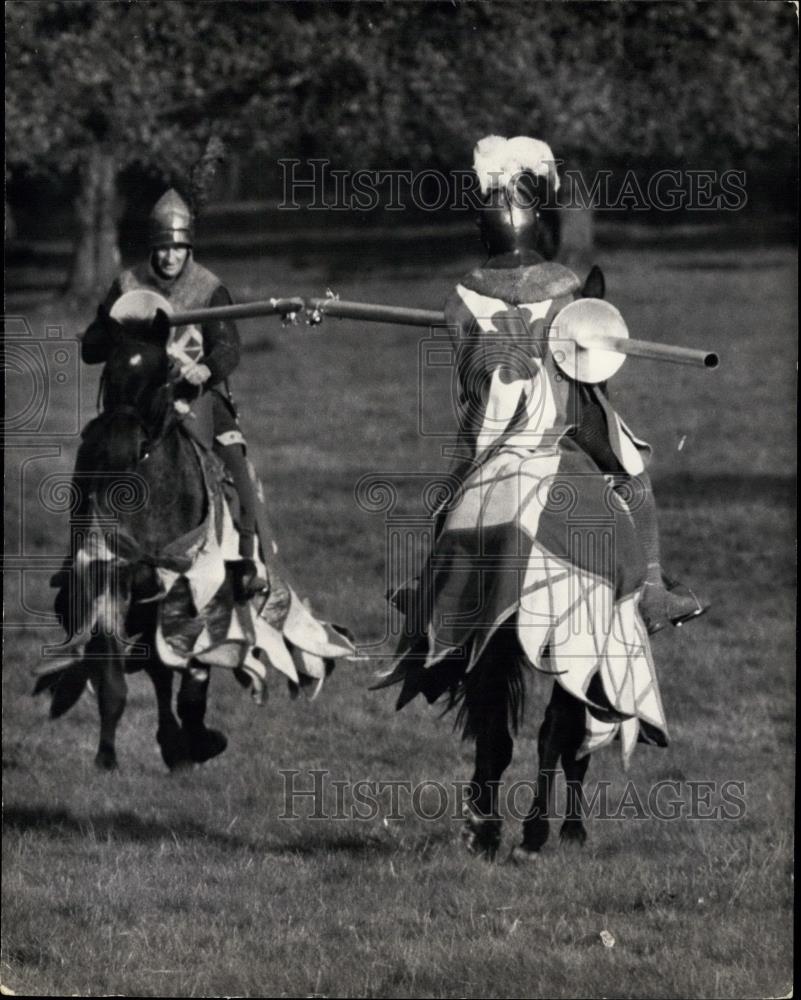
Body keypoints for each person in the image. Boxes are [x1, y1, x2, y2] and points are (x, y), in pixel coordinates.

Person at [379, 135, 707, 757]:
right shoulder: (566, 285)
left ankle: (429, 606)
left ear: (486, 229)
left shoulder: (460, 296)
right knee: (631, 469)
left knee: (448, 505)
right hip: (555, 432)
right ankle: (655, 589)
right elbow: (584, 366)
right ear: (534, 221)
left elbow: (468, 368)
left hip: (488, 442)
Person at [79, 188, 265, 601]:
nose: (169, 257)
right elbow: (92, 347)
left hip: (199, 395)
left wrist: (207, 368)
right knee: (92, 450)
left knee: (237, 465)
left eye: (177, 249)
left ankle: (248, 561)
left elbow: (228, 347)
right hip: (139, 399)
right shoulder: (127, 284)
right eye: (162, 248)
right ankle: (79, 550)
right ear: (153, 247)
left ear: (188, 248)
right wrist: (111, 330)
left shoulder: (209, 288)